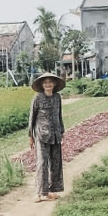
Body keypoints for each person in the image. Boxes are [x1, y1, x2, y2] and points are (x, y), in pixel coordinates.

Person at [28, 72, 66, 202]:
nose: (48, 84)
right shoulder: (37, 98)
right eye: (45, 82)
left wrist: (62, 131)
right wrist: (30, 136)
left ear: (54, 84)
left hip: (55, 134)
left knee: (55, 163)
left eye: (50, 82)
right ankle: (39, 193)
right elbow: (32, 117)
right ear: (42, 85)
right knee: (42, 163)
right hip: (41, 135)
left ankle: (50, 191)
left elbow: (59, 115)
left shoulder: (57, 97)